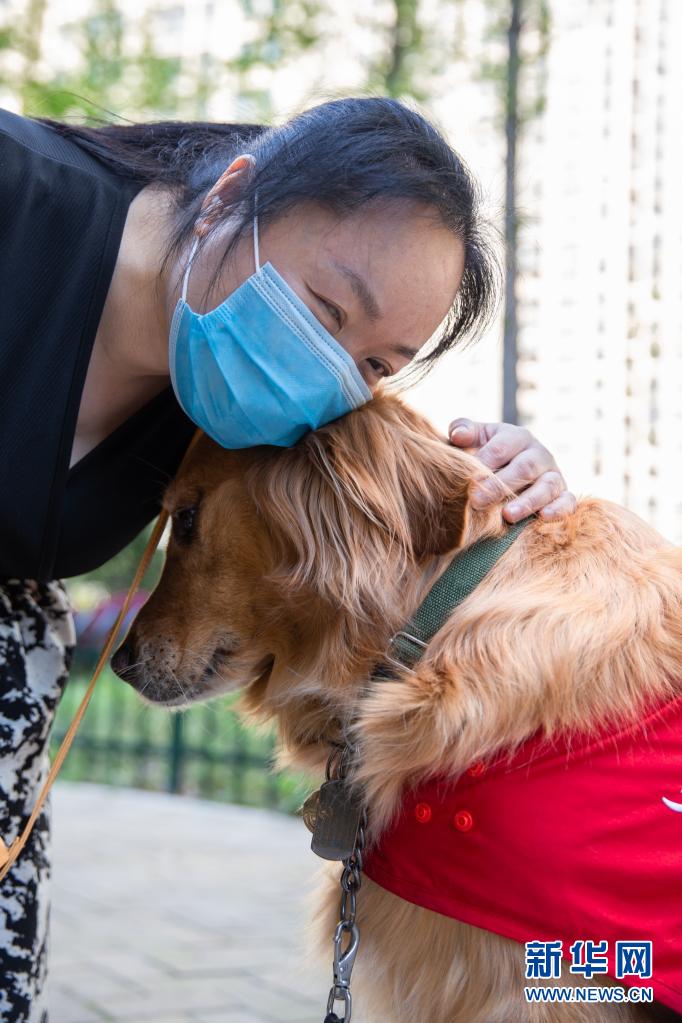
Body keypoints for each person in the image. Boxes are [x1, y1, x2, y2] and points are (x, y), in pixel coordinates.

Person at [0, 95, 575, 1021]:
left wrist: (512, 483)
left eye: (378, 364)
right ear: (232, 195)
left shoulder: (239, 401)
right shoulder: (19, 195)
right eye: (325, 308)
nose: (327, 375)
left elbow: (603, 972)